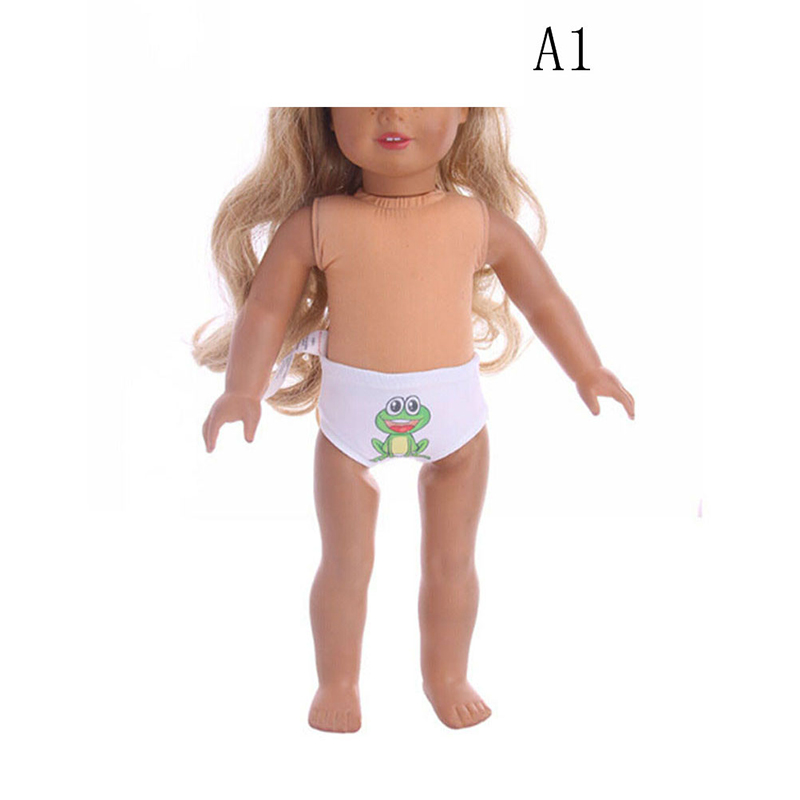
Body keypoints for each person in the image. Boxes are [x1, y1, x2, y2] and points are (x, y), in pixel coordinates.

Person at [194, 108, 634, 732]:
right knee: (345, 563)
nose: (393, 111)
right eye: (363, 94)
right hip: (349, 426)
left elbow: (543, 299)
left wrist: (588, 369)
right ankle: (337, 682)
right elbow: (266, 309)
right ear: (326, 114)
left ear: (463, 110)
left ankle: (446, 676)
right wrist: (241, 389)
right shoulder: (317, 224)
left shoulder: (477, 223)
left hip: (457, 427)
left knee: (452, 562)